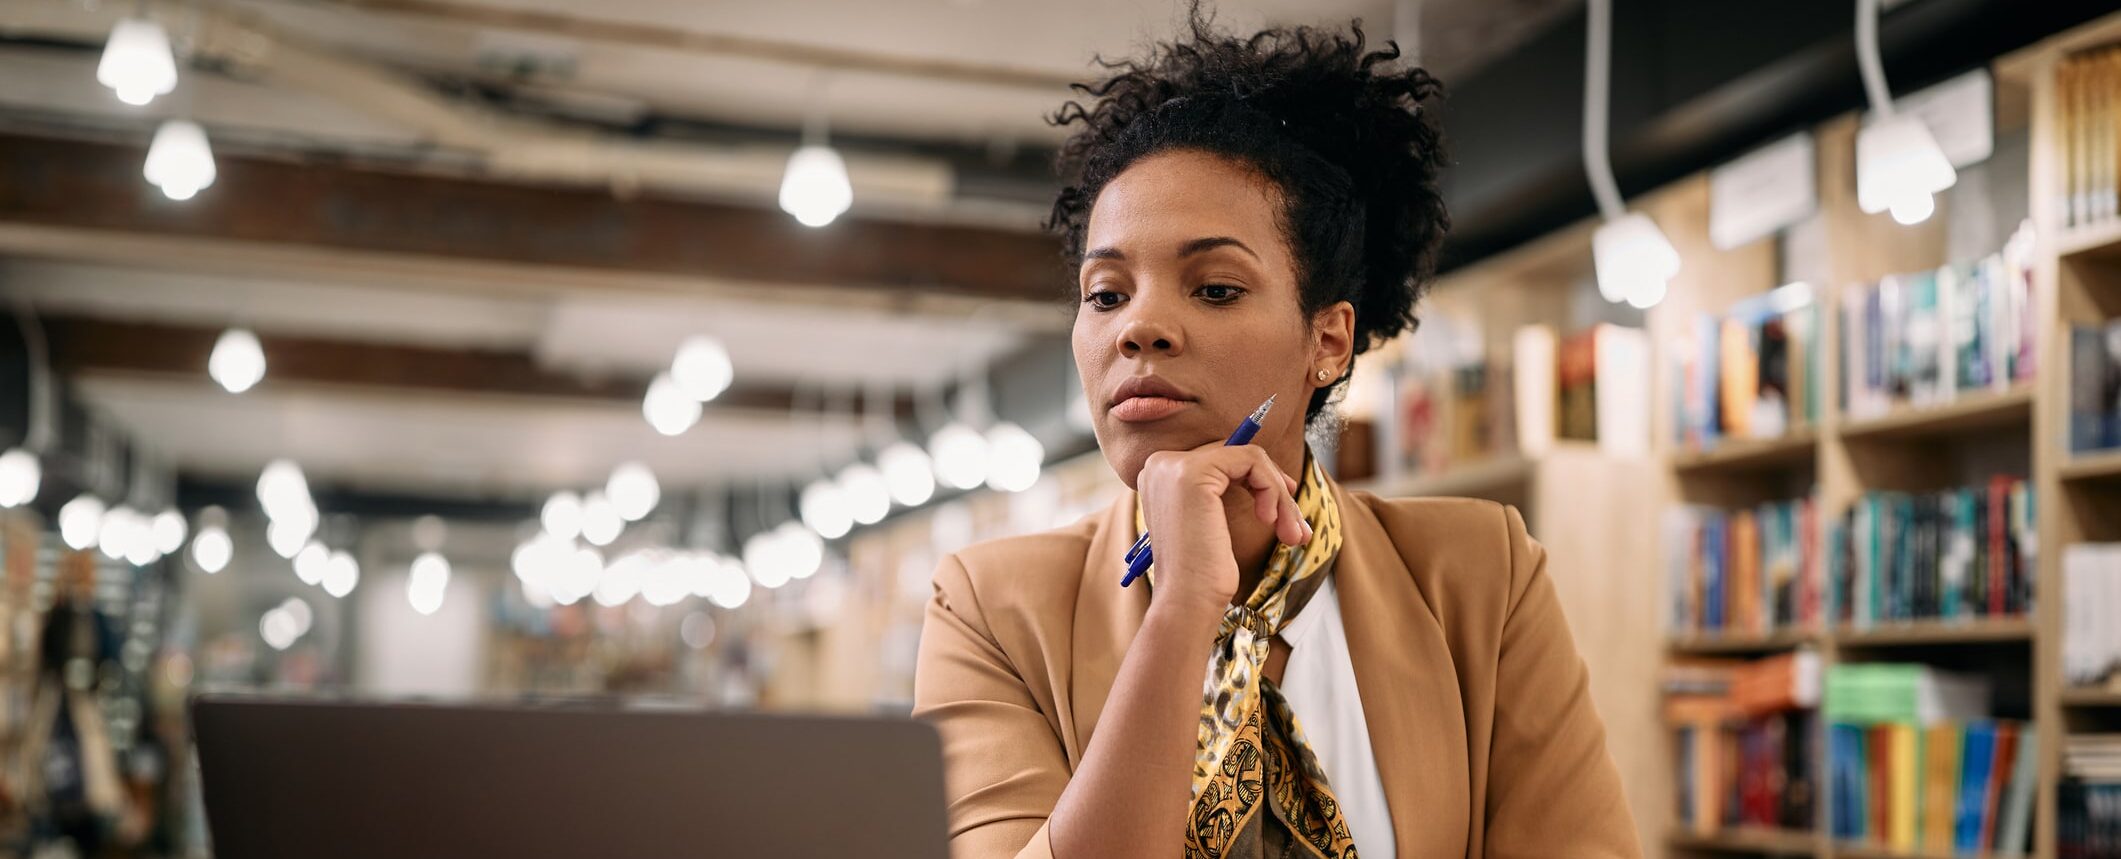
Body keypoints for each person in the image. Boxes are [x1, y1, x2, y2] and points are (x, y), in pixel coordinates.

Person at [912, 7, 1640, 859]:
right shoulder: (991, 605)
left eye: (1214, 287)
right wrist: (1182, 610)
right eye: (1105, 293)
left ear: (1326, 340)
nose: (1137, 327)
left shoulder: (1480, 575)